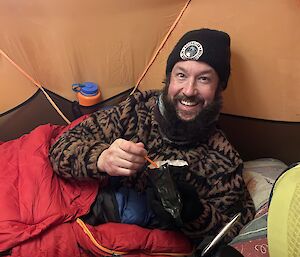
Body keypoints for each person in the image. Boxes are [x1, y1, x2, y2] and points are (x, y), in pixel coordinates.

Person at [49, 28, 255, 244]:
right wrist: (101, 158)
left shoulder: (222, 158)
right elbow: (61, 147)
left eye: (203, 79)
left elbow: (239, 230)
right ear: (169, 79)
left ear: (219, 88)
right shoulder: (135, 112)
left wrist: (196, 215)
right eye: (181, 75)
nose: (189, 90)